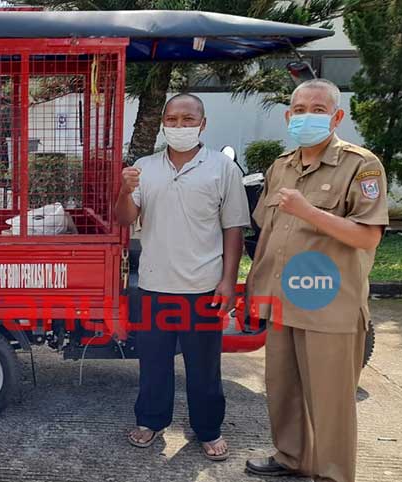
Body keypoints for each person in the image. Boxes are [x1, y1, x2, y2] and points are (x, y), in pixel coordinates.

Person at [245, 79, 388, 482]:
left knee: (330, 401)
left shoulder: (361, 165)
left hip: (329, 304)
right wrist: (256, 291)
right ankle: (291, 458)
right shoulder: (281, 167)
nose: (307, 116)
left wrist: (310, 212)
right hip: (283, 300)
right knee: (283, 389)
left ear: (337, 116)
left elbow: (367, 235)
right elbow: (268, 235)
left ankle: (332, 474)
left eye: (318, 109)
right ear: (289, 117)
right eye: (300, 109)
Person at [116, 93, 250, 461]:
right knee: (153, 364)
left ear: (202, 124)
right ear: (163, 123)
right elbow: (125, 218)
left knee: (204, 368)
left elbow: (234, 229)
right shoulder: (145, 167)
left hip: (203, 287)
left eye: (188, 119)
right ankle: (150, 422)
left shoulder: (223, 169)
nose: (179, 126)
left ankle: (207, 429)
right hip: (155, 286)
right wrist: (126, 190)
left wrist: (228, 281)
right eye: (172, 119)